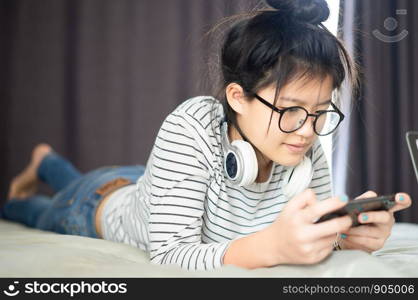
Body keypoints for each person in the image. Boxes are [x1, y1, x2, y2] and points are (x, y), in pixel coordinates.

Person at [1, 0, 412, 271]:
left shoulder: (302, 144)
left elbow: (307, 234)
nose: (307, 130)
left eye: (321, 112)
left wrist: (345, 237)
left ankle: (46, 162)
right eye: (290, 110)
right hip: (97, 202)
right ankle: (43, 166)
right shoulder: (191, 125)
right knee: (34, 210)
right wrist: (272, 247)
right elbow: (169, 255)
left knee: (76, 180)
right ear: (238, 97)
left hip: (152, 182)